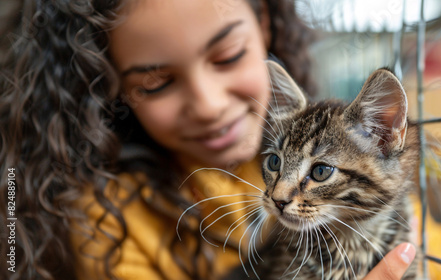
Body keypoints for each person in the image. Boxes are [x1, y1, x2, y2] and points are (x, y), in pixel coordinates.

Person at [0, 0, 416, 279]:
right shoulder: (107, 220)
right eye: (157, 81)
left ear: (265, 26)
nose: (208, 105)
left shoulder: (299, 148)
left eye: (229, 55)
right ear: (110, 87)